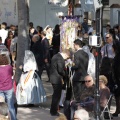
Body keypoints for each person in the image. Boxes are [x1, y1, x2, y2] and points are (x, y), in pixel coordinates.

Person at [50, 49, 71, 116]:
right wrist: (66, 75)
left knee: (55, 95)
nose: (66, 59)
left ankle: (53, 110)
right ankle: (54, 111)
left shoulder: (56, 56)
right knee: (57, 96)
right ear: (66, 54)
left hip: (54, 78)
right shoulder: (60, 58)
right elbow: (60, 69)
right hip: (57, 79)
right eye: (67, 57)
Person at [0, 54, 17, 120]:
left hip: (0, 88)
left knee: (1, 106)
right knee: (10, 106)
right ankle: (13, 118)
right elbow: (11, 75)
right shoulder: (9, 67)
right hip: (9, 88)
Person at [112, 41, 120, 117]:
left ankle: (118, 110)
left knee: (117, 95)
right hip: (117, 79)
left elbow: (117, 69)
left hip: (118, 80)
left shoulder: (117, 57)